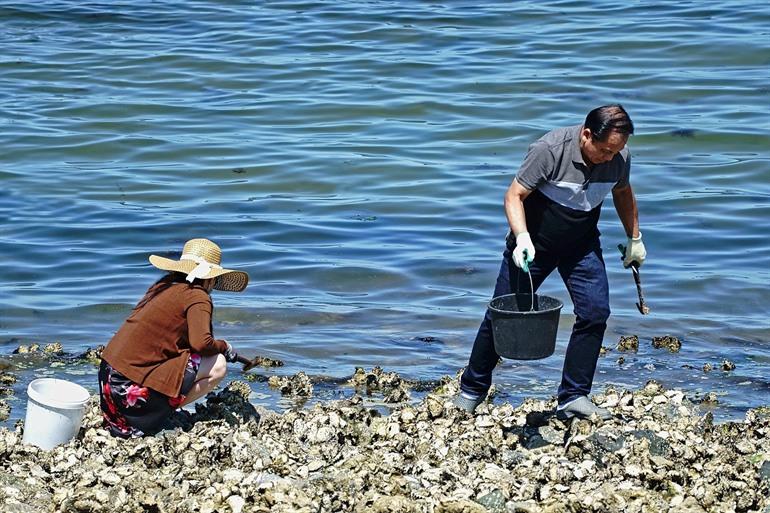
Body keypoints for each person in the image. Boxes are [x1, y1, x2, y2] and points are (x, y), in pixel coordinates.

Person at [454, 104, 646, 420]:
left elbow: (623, 192)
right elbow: (514, 195)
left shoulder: (618, 158)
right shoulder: (550, 149)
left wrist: (634, 238)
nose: (610, 158)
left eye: (617, 151)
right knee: (502, 315)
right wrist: (522, 237)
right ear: (587, 134)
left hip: (581, 245)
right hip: (534, 245)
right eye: (605, 150)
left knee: (595, 313)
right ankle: (472, 390)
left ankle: (573, 396)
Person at [98, 238, 249, 437]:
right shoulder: (198, 296)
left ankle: (142, 415)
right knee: (218, 364)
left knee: (189, 359)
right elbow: (202, 344)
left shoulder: (164, 285)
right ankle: (156, 416)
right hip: (129, 395)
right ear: (211, 278)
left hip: (108, 384)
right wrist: (224, 346)